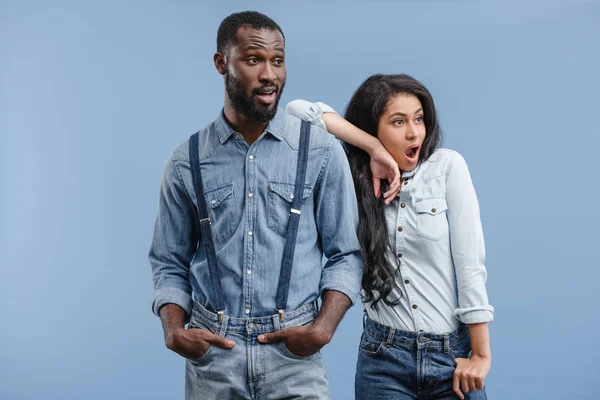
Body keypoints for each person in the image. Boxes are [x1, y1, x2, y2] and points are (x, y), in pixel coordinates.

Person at [148, 11, 363, 400]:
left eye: (277, 61)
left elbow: (346, 253)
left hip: (294, 358)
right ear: (221, 64)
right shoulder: (186, 162)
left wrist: (322, 329)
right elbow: (168, 261)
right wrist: (174, 331)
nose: (269, 74)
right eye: (253, 60)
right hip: (215, 359)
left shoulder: (321, 152)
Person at [287, 73, 494, 400]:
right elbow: (296, 110)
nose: (414, 132)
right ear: (374, 128)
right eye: (398, 122)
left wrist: (480, 354)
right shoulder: (354, 182)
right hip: (382, 359)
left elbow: (470, 265)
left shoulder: (447, 168)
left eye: (419, 119)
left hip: (450, 356)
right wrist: (371, 148)